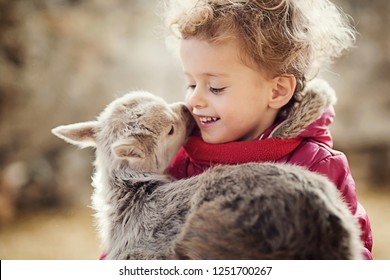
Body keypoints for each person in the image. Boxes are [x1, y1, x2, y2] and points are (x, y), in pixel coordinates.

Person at [164, 0, 373, 259]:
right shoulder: (179, 160)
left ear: (277, 91)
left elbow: (349, 253)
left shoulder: (316, 165)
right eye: (191, 84)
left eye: (215, 87)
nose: (194, 100)